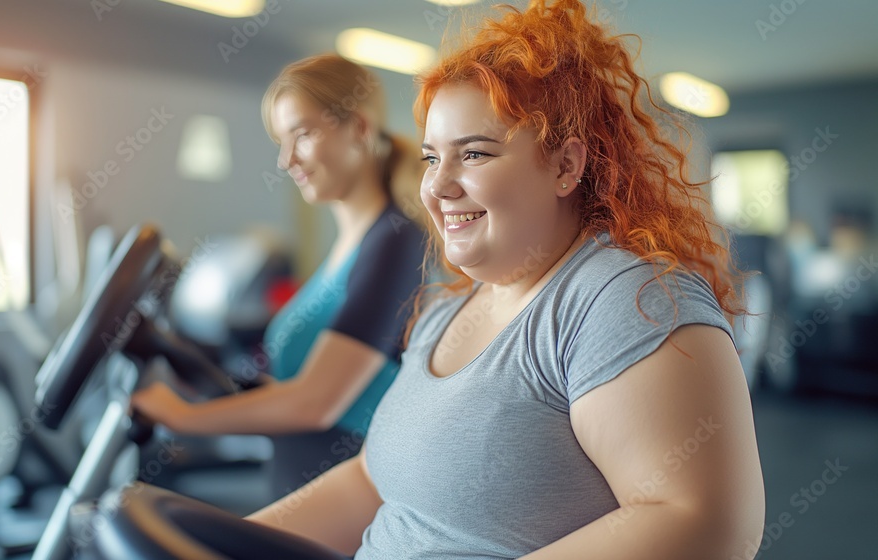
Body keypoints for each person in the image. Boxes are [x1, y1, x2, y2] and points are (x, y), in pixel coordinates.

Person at [247, 1, 766, 558]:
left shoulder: (625, 300)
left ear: (566, 166)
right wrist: (219, 542)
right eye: (430, 158)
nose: (437, 187)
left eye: (473, 154)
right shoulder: (450, 308)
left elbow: (705, 523)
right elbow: (369, 483)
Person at [131, 54, 427, 500]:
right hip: (297, 488)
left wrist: (181, 416)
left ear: (360, 129)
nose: (285, 160)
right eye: (280, 141)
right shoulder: (351, 244)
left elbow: (318, 402)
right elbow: (295, 385)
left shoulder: (395, 239)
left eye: (302, 134)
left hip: (347, 509)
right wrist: (185, 363)